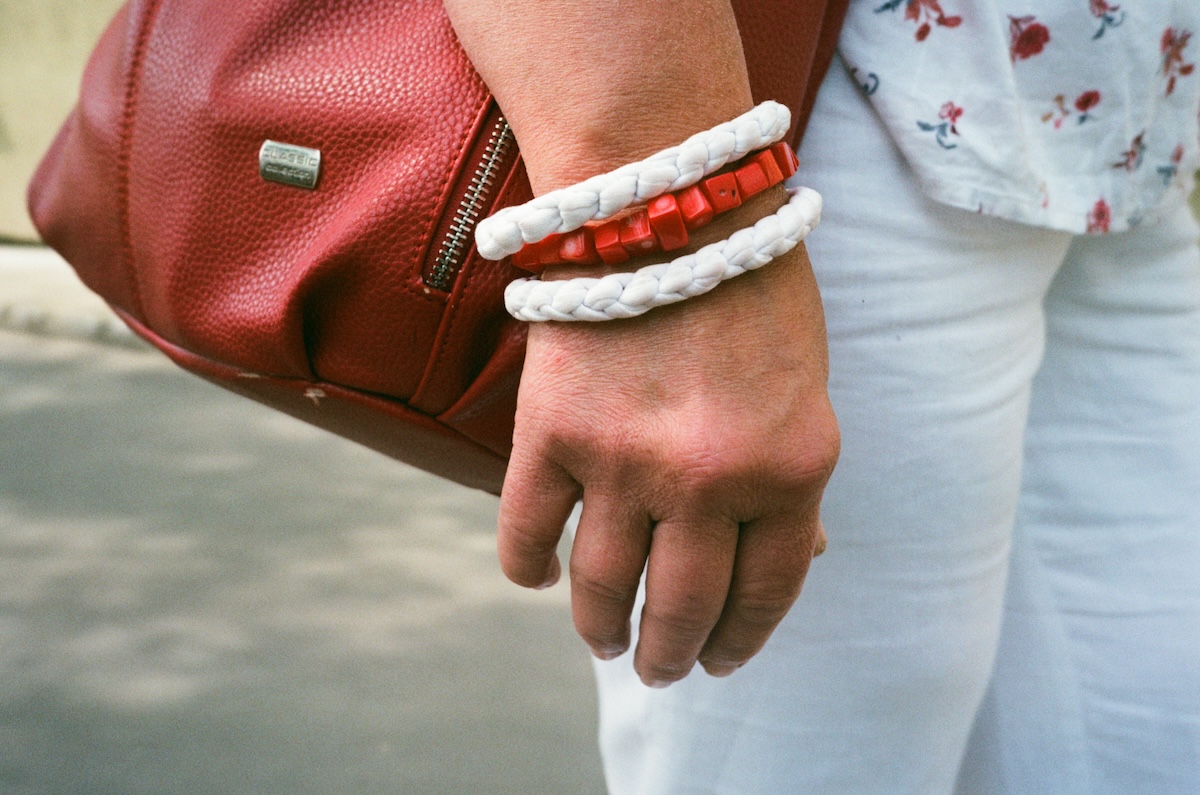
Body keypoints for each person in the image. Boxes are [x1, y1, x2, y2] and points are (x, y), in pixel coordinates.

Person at [443, 0, 1200, 791]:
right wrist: (669, 222)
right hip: (826, 107)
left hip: (1122, 124)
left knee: (1145, 737)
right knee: (807, 762)